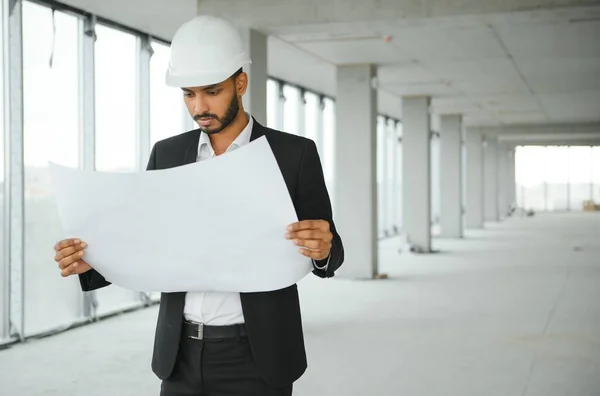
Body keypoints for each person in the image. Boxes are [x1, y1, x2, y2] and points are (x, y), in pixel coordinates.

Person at [52, 15, 344, 396]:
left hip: (259, 355)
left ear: (240, 83)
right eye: (189, 93)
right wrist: (96, 261)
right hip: (181, 354)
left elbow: (331, 251)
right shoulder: (168, 154)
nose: (199, 106)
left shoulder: (294, 155)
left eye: (211, 91)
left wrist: (324, 249)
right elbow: (142, 239)